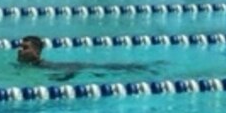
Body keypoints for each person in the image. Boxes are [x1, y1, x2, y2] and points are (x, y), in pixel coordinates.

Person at [16, 34, 161, 82]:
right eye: (20, 47)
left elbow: (73, 70)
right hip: (81, 67)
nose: (20, 51)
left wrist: (63, 79)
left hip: (83, 67)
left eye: (25, 48)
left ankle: (145, 68)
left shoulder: (45, 65)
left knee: (116, 69)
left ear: (37, 51)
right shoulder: (31, 65)